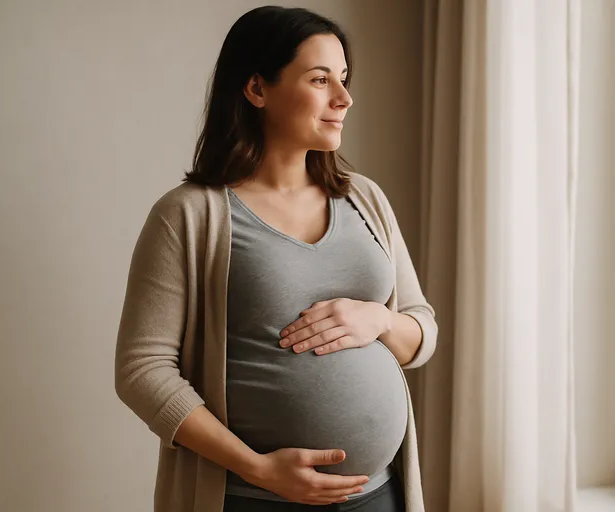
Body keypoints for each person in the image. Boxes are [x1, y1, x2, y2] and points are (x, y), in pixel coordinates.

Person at [114, 6, 438, 512]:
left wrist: (378, 319)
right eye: (320, 79)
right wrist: (256, 468)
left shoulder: (364, 199)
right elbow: (142, 371)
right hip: (253, 498)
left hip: (378, 495)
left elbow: (422, 329)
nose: (344, 99)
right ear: (257, 89)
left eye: (345, 79)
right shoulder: (189, 215)